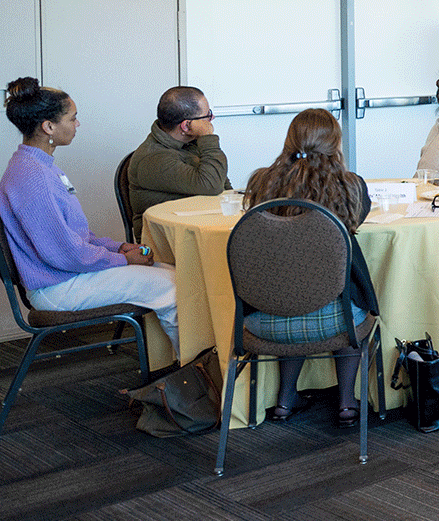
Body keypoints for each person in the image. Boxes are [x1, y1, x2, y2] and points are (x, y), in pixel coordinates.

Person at [0, 78, 179, 356]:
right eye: (72, 118)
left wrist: (117, 247)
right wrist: (123, 259)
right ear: (48, 127)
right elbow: (65, 253)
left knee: (173, 274)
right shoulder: (32, 176)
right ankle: (191, 376)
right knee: (174, 286)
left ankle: (178, 370)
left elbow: (76, 237)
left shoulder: (38, 165)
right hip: (57, 286)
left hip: (65, 275)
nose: (77, 124)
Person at [242, 109, 379, 425]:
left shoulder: (262, 182)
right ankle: (346, 402)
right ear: (335, 143)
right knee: (348, 300)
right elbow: (355, 222)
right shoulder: (349, 185)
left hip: (265, 316)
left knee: (292, 296)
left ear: (290, 139)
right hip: (336, 320)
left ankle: (285, 400)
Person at [125, 85, 231, 236]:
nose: (211, 120)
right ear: (187, 125)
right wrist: (208, 137)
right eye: (207, 116)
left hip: (198, 226)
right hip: (169, 240)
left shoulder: (189, 142)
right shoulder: (153, 159)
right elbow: (211, 185)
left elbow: (223, 185)